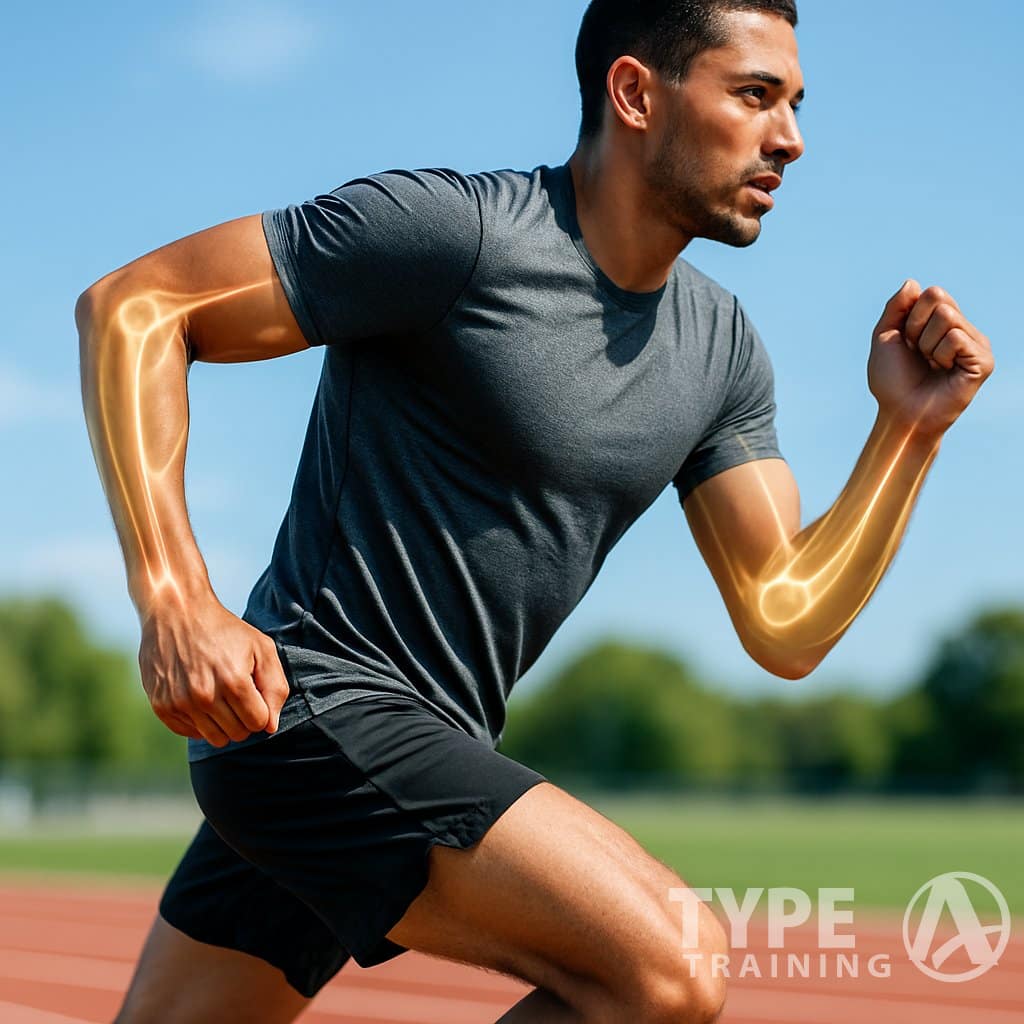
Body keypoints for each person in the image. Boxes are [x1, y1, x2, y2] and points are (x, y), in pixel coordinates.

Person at [76, 1, 993, 1021]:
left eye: (795, 103)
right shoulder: (454, 232)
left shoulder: (720, 349)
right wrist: (175, 596)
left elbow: (783, 618)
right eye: (753, 94)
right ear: (636, 93)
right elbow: (136, 306)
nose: (791, 136)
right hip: (311, 712)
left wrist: (906, 433)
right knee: (669, 963)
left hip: (413, 750)